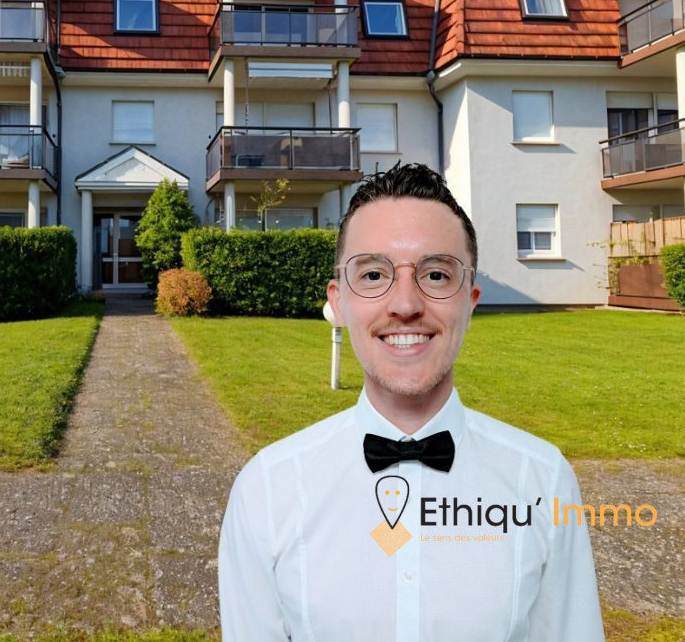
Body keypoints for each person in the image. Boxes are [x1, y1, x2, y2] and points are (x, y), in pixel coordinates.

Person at [218, 163, 603, 641]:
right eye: (374, 274)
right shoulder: (266, 490)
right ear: (339, 303)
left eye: (436, 275)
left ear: (470, 302)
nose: (405, 304)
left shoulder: (543, 481)